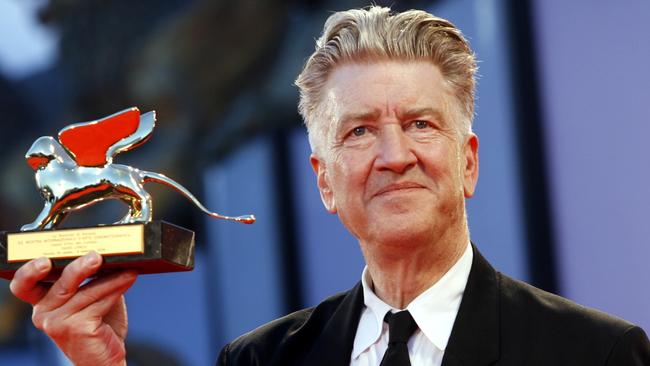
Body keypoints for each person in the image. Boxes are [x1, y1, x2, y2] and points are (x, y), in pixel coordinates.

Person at [9, 6, 650, 366]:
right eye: (360, 132)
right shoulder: (259, 362)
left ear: (469, 163)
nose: (394, 156)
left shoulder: (596, 356)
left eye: (421, 124)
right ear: (325, 183)